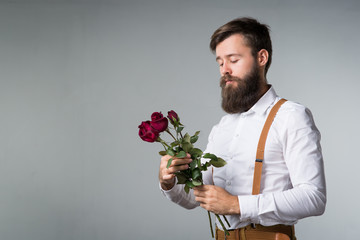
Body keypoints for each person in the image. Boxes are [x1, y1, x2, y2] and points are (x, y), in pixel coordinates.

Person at [158, 17, 326, 240]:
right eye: (220, 62)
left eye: (233, 60)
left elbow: (313, 198)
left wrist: (237, 204)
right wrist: (169, 183)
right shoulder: (222, 127)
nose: (224, 70)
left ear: (261, 58)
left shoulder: (291, 116)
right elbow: (198, 197)